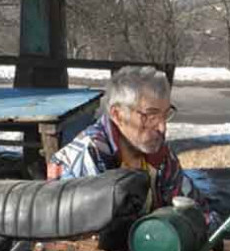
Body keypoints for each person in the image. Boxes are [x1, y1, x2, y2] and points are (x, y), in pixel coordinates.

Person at [48, 66, 217, 226]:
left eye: (166, 115)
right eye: (151, 115)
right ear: (118, 114)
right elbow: (84, 243)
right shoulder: (86, 157)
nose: (162, 127)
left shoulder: (159, 153)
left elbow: (197, 208)